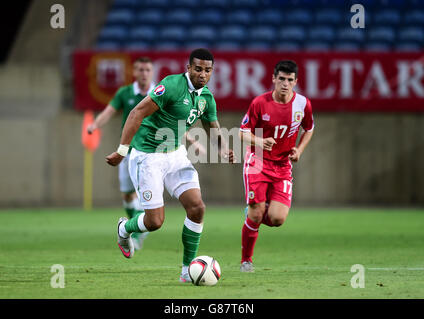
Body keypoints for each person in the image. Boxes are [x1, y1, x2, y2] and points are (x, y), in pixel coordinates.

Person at [105, 48, 235, 282]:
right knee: (155, 222)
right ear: (188, 68)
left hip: (175, 155)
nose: (202, 74)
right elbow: (136, 112)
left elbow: (211, 124)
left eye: (207, 70)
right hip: (147, 156)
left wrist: (223, 147)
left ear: (212, 72)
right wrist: (122, 150)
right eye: (198, 69)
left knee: (197, 208)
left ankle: (187, 271)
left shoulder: (206, 97)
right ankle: (124, 229)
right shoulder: (172, 86)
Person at [238, 60, 314, 272]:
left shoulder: (303, 104)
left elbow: (309, 128)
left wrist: (299, 149)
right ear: (273, 79)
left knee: (278, 218)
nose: (285, 84)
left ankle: (253, 211)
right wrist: (261, 142)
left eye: (290, 80)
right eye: (281, 79)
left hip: (282, 167)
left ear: (296, 82)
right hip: (258, 162)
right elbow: (242, 133)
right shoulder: (259, 103)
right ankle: (246, 260)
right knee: (256, 213)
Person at [87, 56, 155, 250]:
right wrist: (95, 125)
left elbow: (172, 120)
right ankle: (136, 229)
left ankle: (137, 231)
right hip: (126, 151)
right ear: (134, 72)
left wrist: (191, 139)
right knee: (127, 194)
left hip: (150, 153)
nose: (144, 73)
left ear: (152, 72)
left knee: (145, 194)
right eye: (140, 70)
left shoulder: (159, 93)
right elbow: (109, 111)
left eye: (147, 70)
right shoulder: (125, 93)